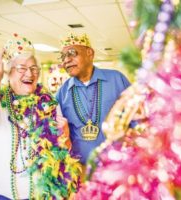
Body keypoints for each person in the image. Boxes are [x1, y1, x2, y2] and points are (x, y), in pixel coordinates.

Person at [0, 33, 80, 200]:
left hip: (41, 194)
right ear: (8, 72)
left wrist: (66, 137)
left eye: (34, 68)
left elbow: (63, 151)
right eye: (22, 68)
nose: (30, 73)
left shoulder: (51, 105)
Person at [56, 33, 131, 166]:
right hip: (79, 170)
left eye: (72, 53)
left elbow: (135, 119)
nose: (66, 60)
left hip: (117, 168)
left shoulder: (117, 79)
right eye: (62, 56)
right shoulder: (62, 92)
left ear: (89, 53)